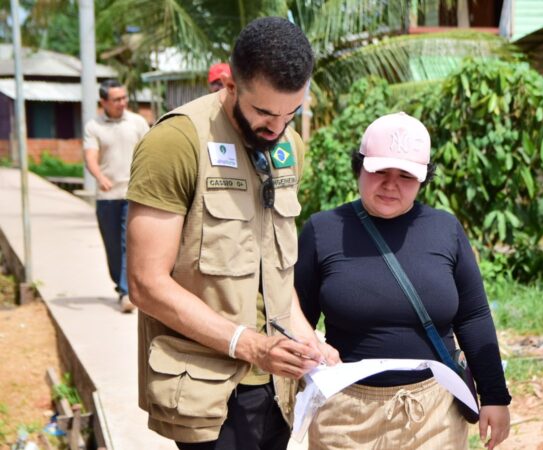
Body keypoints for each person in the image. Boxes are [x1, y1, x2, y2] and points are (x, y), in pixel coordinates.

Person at [126, 17, 338, 449]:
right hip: (207, 388)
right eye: (263, 112)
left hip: (276, 386)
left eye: (290, 112)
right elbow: (146, 284)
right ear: (230, 85)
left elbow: (275, 267)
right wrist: (249, 345)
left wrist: (307, 338)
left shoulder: (288, 147)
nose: (277, 128)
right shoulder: (176, 142)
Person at [295, 112, 512, 450]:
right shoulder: (323, 231)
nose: (390, 184)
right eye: (379, 171)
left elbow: (473, 317)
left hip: (434, 413)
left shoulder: (445, 229)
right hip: (346, 416)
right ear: (360, 167)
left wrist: (495, 396)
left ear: (423, 180)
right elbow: (296, 319)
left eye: (405, 176)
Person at [83, 79, 149, 313]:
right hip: (107, 195)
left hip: (134, 192)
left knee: (126, 243)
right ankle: (120, 284)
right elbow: (91, 155)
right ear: (104, 102)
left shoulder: (138, 122)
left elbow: (150, 152)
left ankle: (126, 292)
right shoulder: (94, 126)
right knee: (112, 246)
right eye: (116, 99)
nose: (122, 103)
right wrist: (100, 177)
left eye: (124, 98)